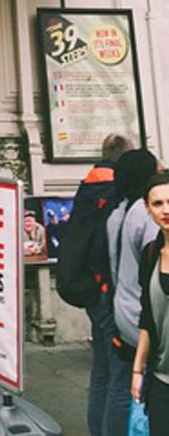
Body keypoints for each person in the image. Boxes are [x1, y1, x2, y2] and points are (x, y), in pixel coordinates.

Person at [72, 133, 134, 436]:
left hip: (93, 292)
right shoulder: (116, 194)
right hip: (110, 292)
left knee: (101, 373)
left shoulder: (88, 185)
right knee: (121, 378)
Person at [99, 148, 160, 435]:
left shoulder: (119, 211)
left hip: (122, 306)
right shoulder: (146, 217)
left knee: (119, 385)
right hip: (143, 314)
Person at [132, 170, 169, 433]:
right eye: (157, 203)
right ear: (147, 208)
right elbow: (147, 317)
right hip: (161, 379)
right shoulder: (150, 255)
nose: (166, 210)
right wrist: (137, 371)